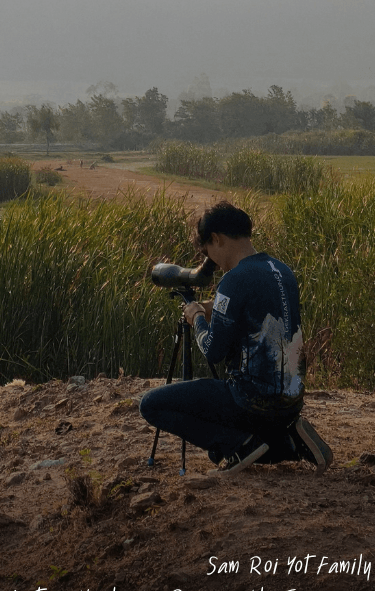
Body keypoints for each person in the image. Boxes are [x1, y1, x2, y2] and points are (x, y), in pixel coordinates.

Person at [139, 201, 332, 476]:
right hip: (291, 400)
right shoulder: (282, 271)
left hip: (251, 401)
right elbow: (253, 310)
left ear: (216, 239)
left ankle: (240, 446)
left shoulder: (234, 280)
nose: (211, 263)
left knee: (151, 405)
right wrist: (210, 306)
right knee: (255, 404)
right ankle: (290, 439)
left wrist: (197, 319)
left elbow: (213, 350)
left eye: (208, 253)